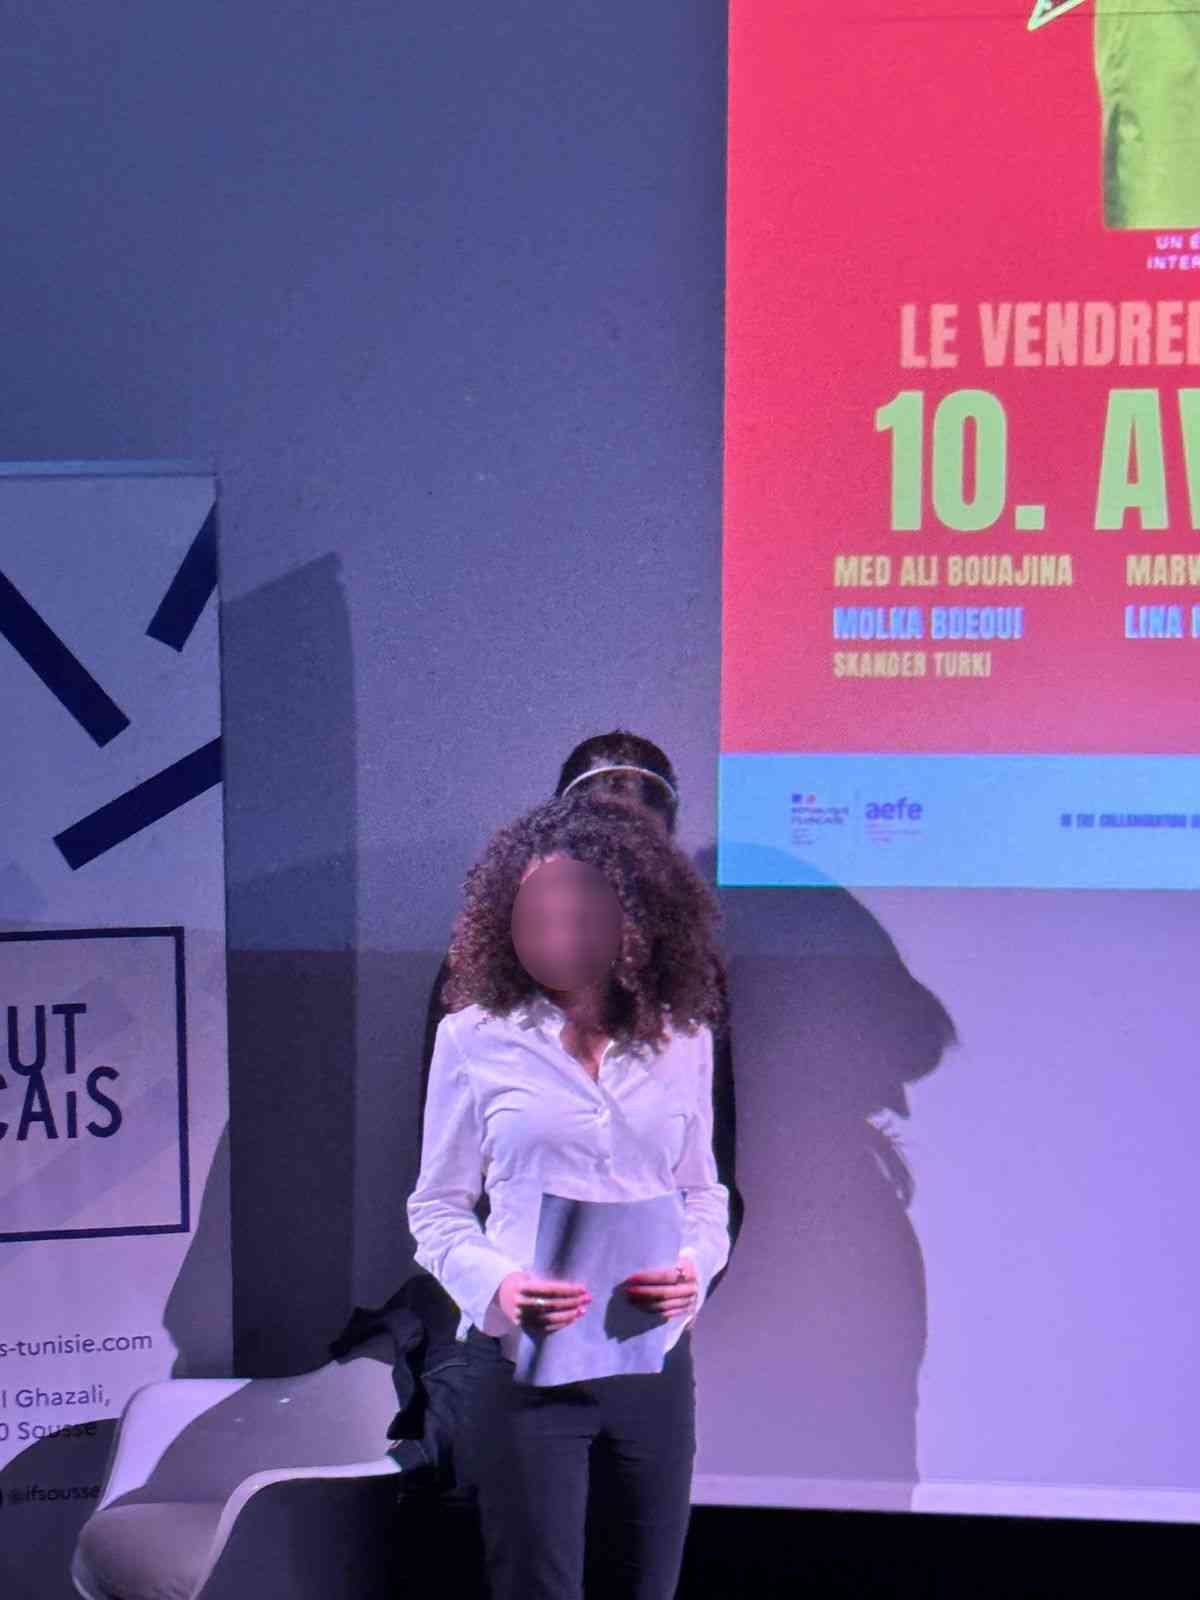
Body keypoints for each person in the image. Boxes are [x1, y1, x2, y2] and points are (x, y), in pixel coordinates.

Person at [406, 787, 732, 1600]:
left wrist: (694, 1271)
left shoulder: (684, 1038)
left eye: (580, 910)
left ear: (632, 918)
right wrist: (499, 1287)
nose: (557, 930)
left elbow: (704, 1192)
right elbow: (436, 1208)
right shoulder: (473, 1037)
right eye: (537, 912)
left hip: (651, 1367)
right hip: (521, 1371)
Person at [417, 729, 745, 1297]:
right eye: (597, 839)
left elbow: (709, 1173)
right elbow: (443, 1183)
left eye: (639, 844)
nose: (616, 865)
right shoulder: (481, 981)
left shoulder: (689, 984)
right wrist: (493, 1288)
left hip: (643, 1305)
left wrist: (688, 1279)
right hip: (508, 1294)